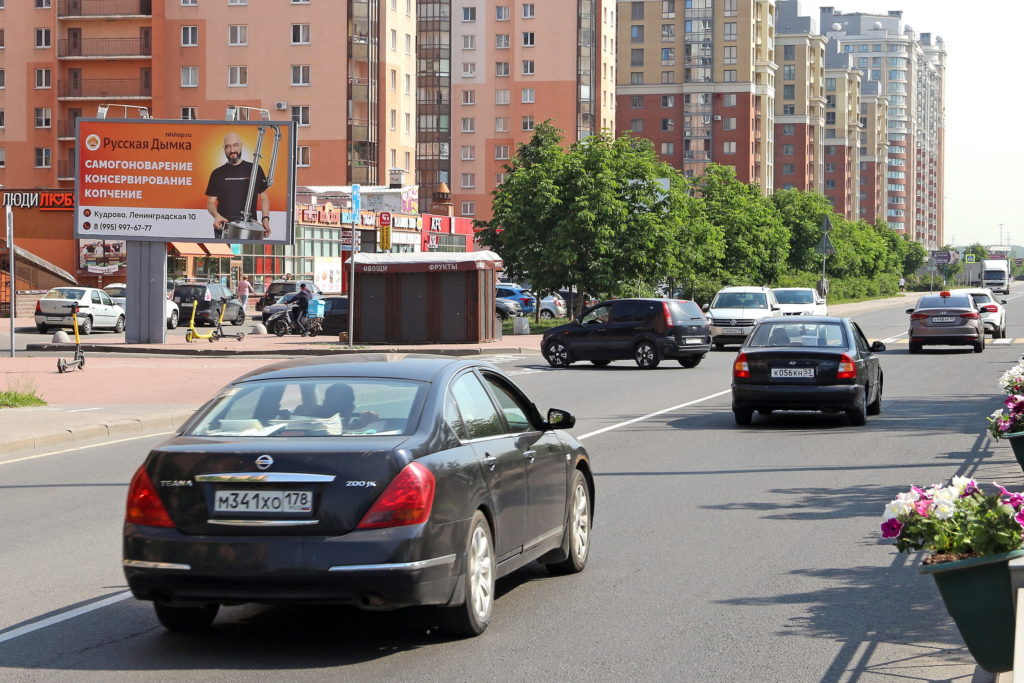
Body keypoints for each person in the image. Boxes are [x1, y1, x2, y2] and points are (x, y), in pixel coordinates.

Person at [205, 132, 272, 239]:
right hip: (224, 229)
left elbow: (264, 197)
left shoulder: (255, 169)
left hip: (250, 229)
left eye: (235, 145)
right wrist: (216, 216)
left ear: (241, 145)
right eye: (228, 146)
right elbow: (211, 202)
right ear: (224, 148)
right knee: (223, 256)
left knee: (248, 256)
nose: (232, 150)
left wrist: (265, 219)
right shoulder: (217, 173)